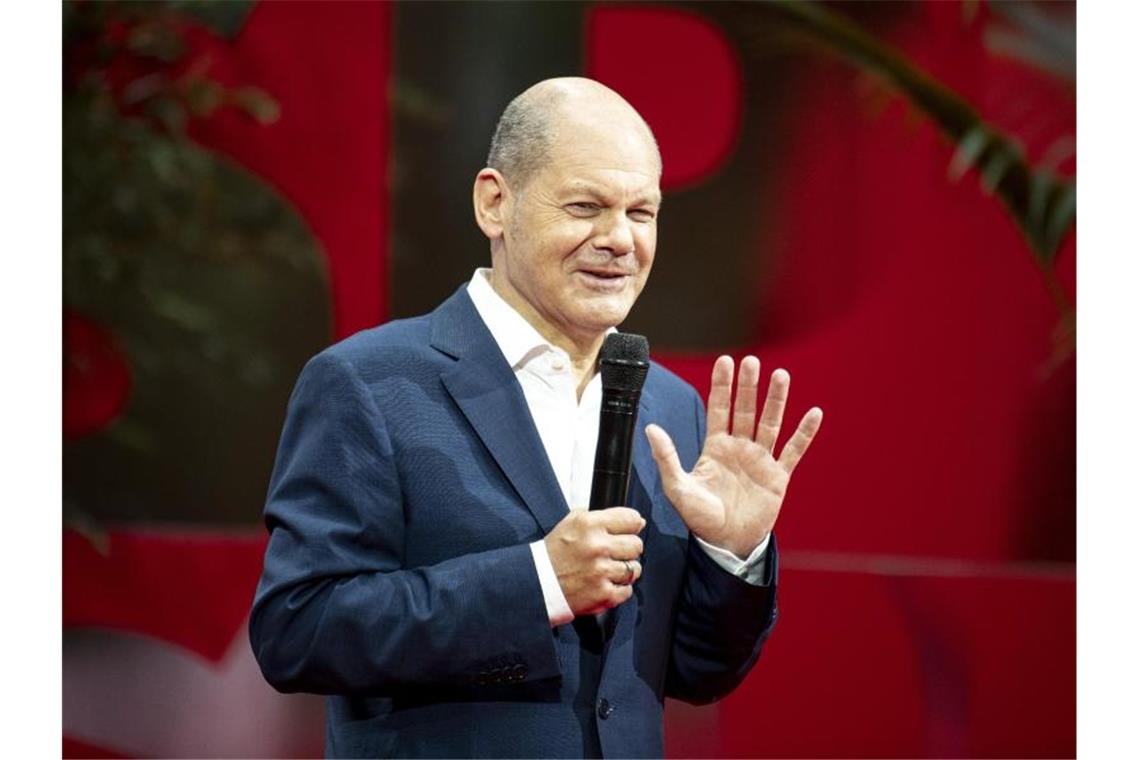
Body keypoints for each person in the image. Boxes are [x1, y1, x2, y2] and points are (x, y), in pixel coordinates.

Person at [250, 77, 823, 758]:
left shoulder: (670, 408)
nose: (619, 240)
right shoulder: (368, 384)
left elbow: (695, 673)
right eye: (586, 206)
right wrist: (539, 582)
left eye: (642, 213)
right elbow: (299, 630)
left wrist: (733, 555)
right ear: (495, 202)